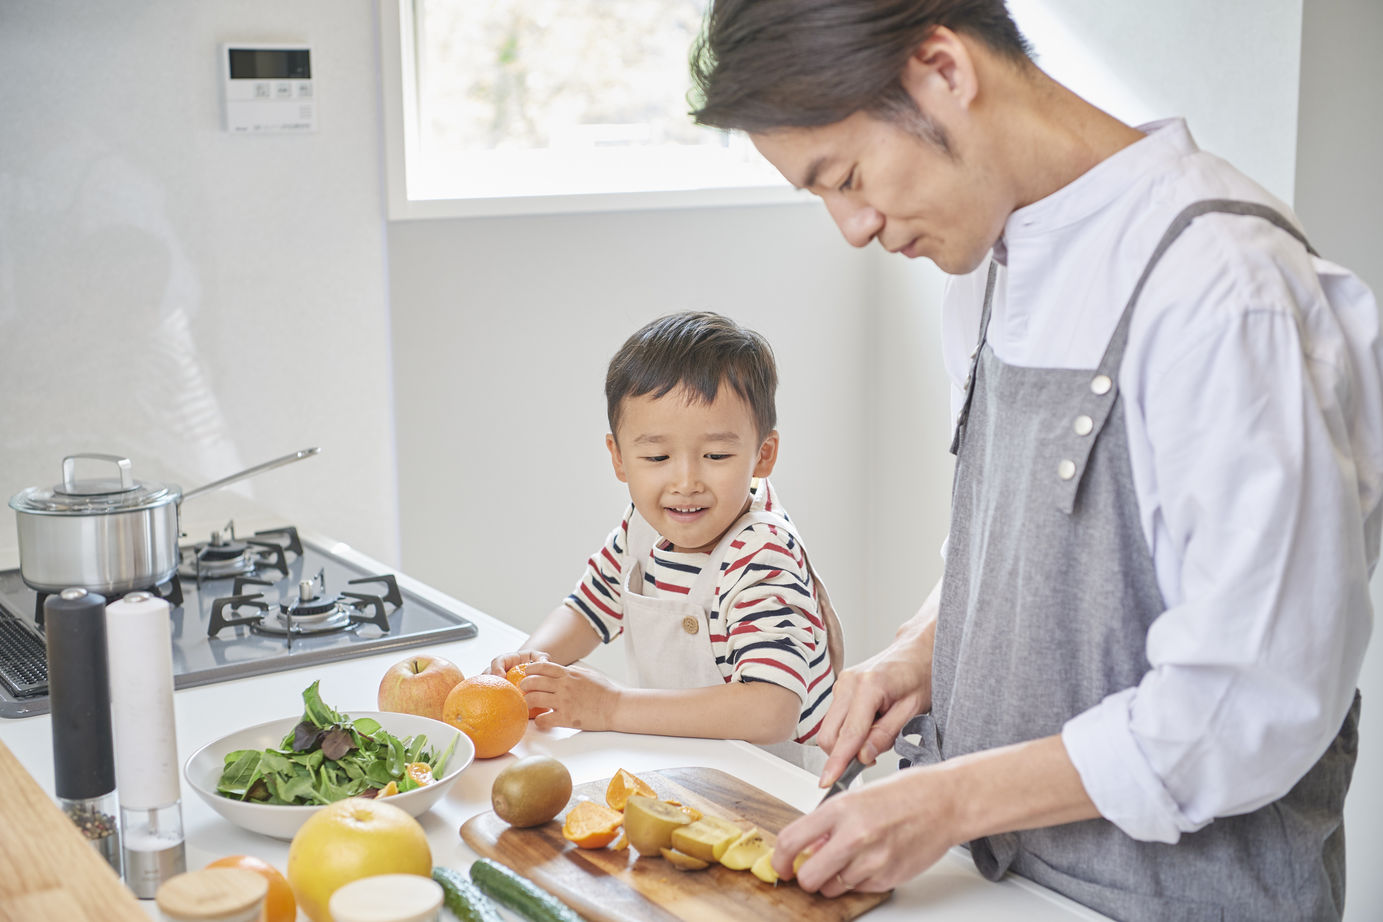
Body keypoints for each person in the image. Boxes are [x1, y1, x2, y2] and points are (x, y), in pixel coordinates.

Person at [689, 2, 1382, 919]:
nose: (851, 227)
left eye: (847, 176)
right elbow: (1039, 539)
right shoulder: (986, 262)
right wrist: (920, 653)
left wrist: (947, 800)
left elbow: (1250, 704)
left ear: (942, 69)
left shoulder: (1224, 292)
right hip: (1008, 889)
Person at [488, 311, 843, 769]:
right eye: (657, 456)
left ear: (763, 455)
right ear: (619, 459)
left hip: (779, 792)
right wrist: (528, 661)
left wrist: (610, 706)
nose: (686, 481)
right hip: (686, 770)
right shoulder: (642, 526)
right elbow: (588, 607)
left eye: (716, 455)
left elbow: (771, 710)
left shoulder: (763, 552)